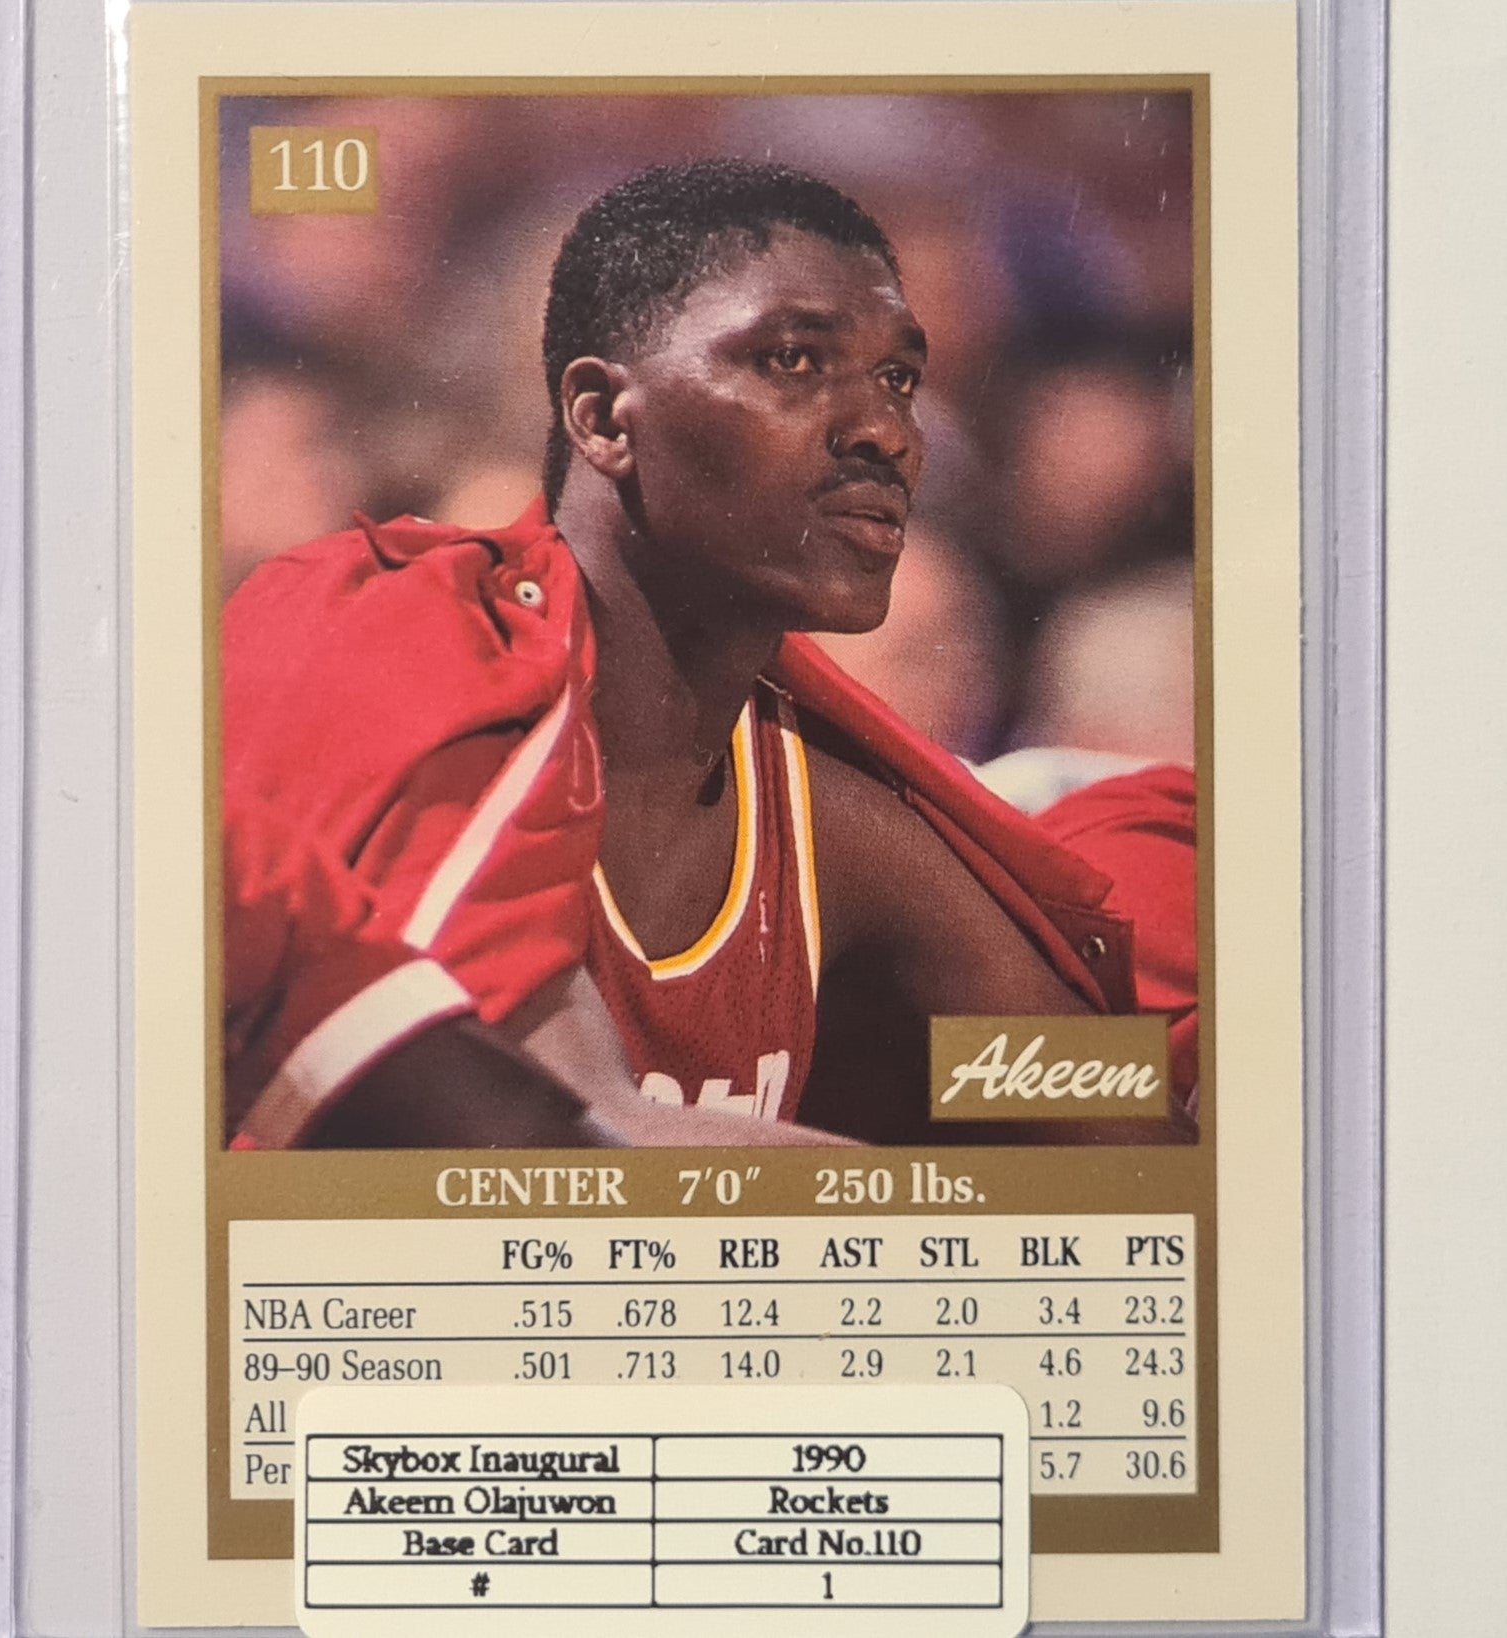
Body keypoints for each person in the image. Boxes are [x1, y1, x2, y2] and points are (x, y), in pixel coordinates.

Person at [222, 160, 1196, 1149]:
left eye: (899, 379)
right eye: (793, 361)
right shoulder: (424, 643)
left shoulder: (830, 818)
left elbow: (1098, 1116)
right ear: (602, 416)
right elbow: (564, 1147)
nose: (886, 432)